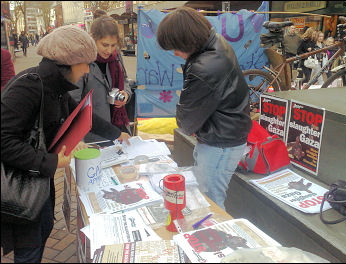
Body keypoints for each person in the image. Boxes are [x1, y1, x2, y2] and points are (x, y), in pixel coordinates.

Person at [1, 25, 130, 263]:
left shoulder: (56, 87)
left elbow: (83, 116)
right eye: (84, 65)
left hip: (39, 177)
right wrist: (50, 161)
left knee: (45, 226)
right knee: (29, 246)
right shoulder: (28, 87)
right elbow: (4, 141)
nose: (85, 72)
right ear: (68, 62)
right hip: (20, 184)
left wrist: (116, 133)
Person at [156, 6, 252, 210]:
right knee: (205, 192)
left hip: (221, 141)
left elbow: (185, 122)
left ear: (186, 41)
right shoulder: (214, 41)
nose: (174, 53)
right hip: (224, 133)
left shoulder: (204, 67)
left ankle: (217, 238)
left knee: (210, 201)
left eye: (175, 47)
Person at [69, 16, 132, 142]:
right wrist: (77, 141)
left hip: (118, 128)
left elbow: (124, 80)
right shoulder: (80, 61)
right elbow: (72, 103)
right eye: (105, 45)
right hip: (94, 134)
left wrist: (126, 94)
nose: (109, 50)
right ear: (93, 39)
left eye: (113, 45)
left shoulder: (117, 56)